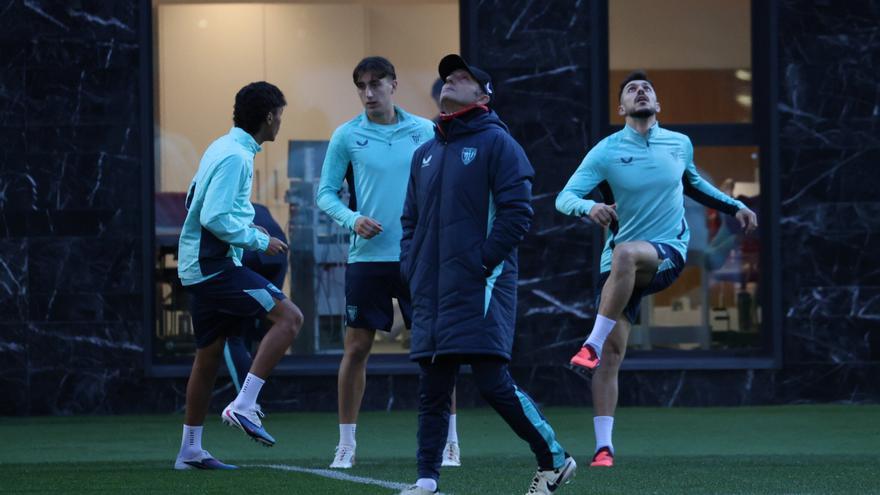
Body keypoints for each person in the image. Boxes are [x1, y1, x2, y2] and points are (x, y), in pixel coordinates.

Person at [556, 70, 758, 468]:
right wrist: (589, 206)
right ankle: (603, 447)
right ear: (621, 107)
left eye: (647, 88)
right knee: (615, 353)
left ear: (658, 104)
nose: (640, 91)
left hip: (667, 253)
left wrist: (736, 206)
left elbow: (696, 185)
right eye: (631, 89)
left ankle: (590, 344)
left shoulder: (679, 144)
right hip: (615, 265)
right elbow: (564, 196)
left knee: (627, 256)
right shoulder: (606, 151)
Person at [398, 54, 577, 495]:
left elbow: (518, 215)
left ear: (483, 96)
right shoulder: (425, 153)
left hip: (481, 284)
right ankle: (426, 480)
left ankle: (554, 459)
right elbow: (409, 222)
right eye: (447, 77)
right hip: (433, 288)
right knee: (433, 388)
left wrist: (479, 263)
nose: (451, 81)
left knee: (493, 383)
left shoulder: (499, 144)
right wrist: (413, 268)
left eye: (463, 77)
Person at [316, 56, 461, 469]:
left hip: (420, 257)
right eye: (361, 85)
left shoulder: (425, 131)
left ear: (394, 85)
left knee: (436, 348)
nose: (368, 92)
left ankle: (450, 440)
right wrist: (352, 218)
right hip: (369, 259)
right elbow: (325, 193)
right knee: (357, 347)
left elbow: (448, 184)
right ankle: (346, 443)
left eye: (376, 83)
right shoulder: (346, 136)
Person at [173, 81, 303, 470]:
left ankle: (190, 451)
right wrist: (258, 241)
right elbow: (213, 216)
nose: (281, 122)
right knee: (290, 318)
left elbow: (195, 199)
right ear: (268, 117)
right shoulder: (237, 158)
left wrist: (249, 233)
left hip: (202, 265)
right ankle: (244, 405)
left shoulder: (222, 146)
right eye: (280, 115)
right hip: (213, 268)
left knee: (208, 356)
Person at [222, 203, 289, 395]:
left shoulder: (220, 208)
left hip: (253, 251)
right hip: (278, 254)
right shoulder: (258, 208)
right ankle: (258, 392)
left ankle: (246, 401)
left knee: (232, 335)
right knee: (269, 322)